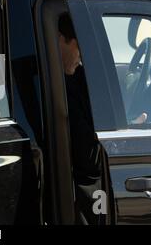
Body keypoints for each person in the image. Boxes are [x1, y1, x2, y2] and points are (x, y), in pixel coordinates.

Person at [57, 12, 116, 224]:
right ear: (60, 39)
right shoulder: (54, 83)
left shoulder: (77, 78)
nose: (82, 56)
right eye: (78, 46)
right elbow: (87, 152)